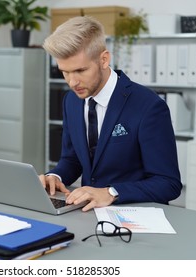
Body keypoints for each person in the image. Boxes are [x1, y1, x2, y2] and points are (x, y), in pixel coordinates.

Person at [39, 16, 182, 212]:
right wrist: (55, 177)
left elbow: (168, 183)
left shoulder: (149, 106)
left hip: (136, 217)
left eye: (80, 70)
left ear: (104, 59)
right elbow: (72, 159)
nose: (72, 82)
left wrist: (111, 192)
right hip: (88, 215)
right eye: (65, 71)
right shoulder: (71, 100)